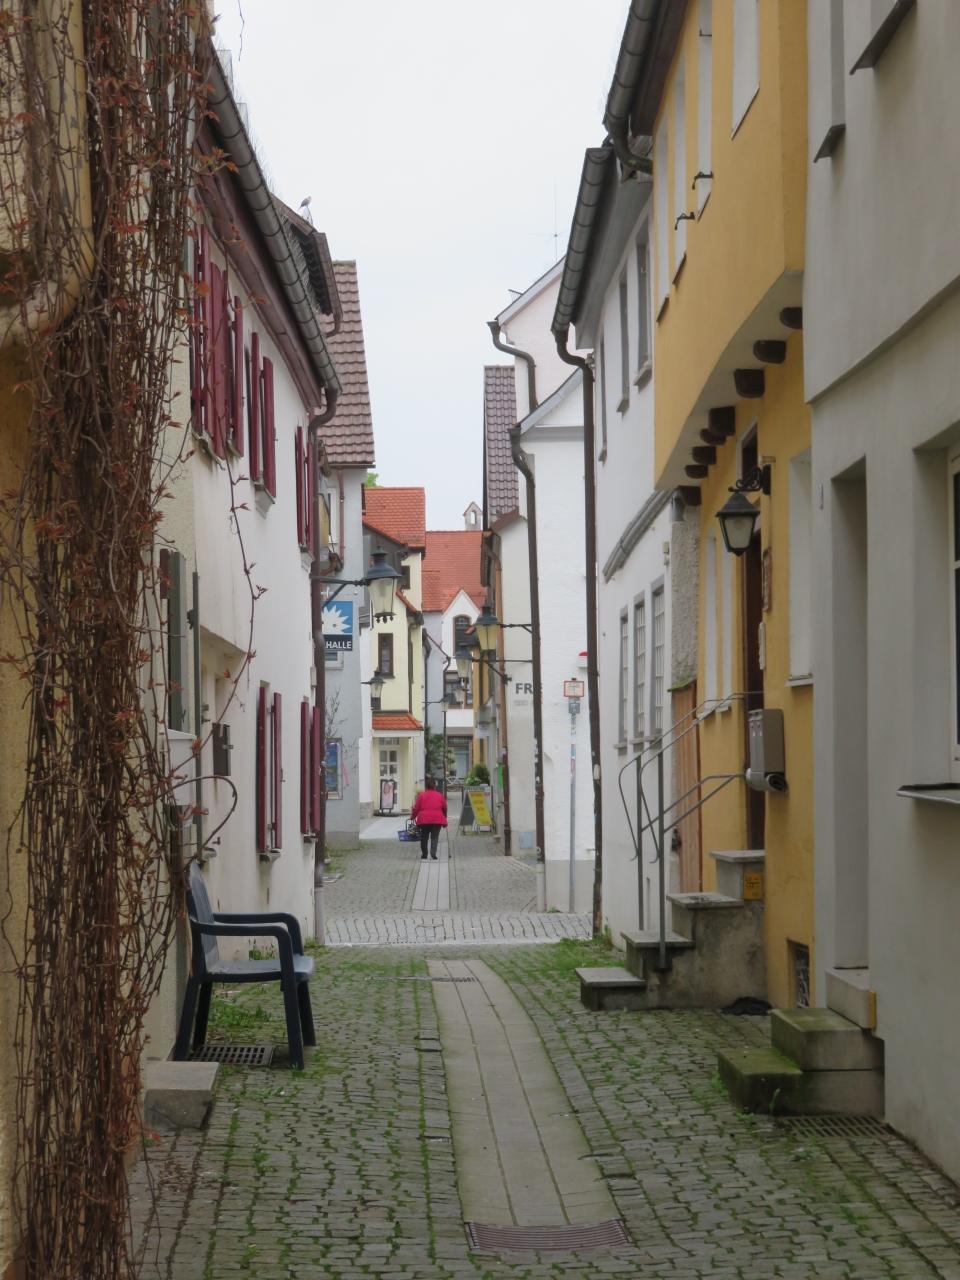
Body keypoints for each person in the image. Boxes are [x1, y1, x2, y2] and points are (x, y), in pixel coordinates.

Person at [411, 777, 447, 860]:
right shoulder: (440, 796)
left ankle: (424, 854)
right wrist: (444, 816)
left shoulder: (421, 796)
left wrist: (413, 817)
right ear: (435, 786)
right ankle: (433, 854)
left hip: (424, 820)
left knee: (424, 837)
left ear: (426, 786)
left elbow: (416, 808)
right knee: (435, 837)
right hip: (437, 819)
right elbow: (444, 807)